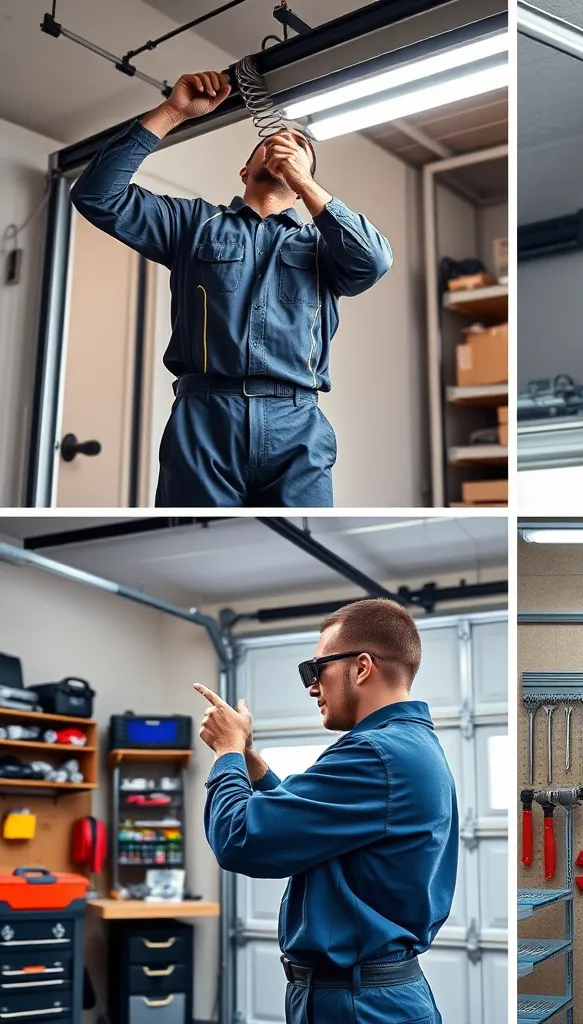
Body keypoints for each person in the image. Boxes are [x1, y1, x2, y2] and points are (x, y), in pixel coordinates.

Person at [70, 71, 393, 507]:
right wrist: (172, 113)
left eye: (301, 151)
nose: (284, 146)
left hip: (296, 426)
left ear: (302, 188)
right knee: (190, 541)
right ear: (246, 169)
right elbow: (96, 197)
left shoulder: (324, 246)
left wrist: (307, 182)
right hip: (204, 419)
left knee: (299, 541)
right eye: (272, 144)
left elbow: (374, 262)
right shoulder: (191, 225)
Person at [195, 598, 456, 1024]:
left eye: (315, 670)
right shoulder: (407, 748)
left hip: (359, 1005)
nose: (312, 686)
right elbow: (309, 828)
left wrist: (226, 753)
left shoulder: (374, 755)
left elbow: (237, 839)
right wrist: (251, 761)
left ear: (361, 667)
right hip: (363, 997)